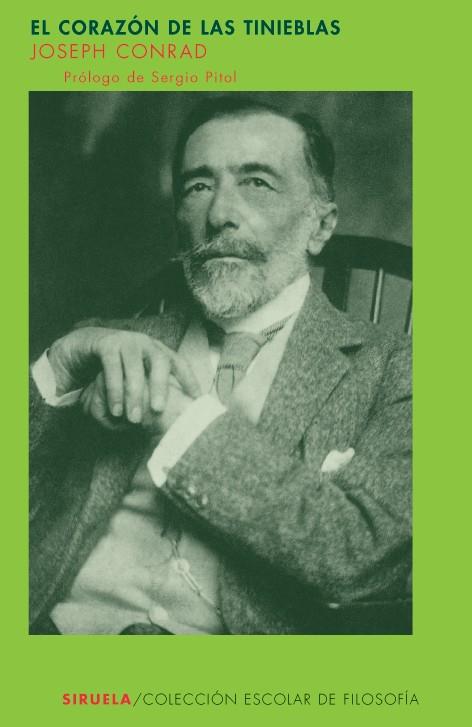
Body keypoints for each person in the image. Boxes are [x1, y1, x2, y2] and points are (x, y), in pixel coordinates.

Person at [30, 97, 411, 635]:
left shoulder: (396, 368)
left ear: (320, 225)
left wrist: (179, 421)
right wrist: (55, 371)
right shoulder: (106, 342)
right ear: (178, 219)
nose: (219, 214)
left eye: (257, 182)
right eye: (198, 186)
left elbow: (367, 558)